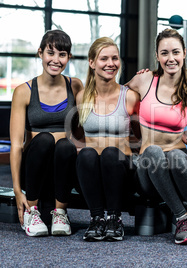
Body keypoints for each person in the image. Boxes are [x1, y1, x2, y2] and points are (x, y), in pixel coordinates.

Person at [125, 28, 187, 245]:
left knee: (176, 156)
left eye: (175, 52)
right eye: (164, 53)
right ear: (157, 56)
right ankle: (182, 217)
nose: (171, 58)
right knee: (153, 151)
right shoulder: (144, 80)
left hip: (181, 165)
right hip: (149, 168)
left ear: (184, 53)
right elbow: (115, 104)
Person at [9, 29, 83, 237]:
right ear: (40, 53)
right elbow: (16, 145)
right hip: (34, 167)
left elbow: (82, 130)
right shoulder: (24, 91)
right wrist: (17, 190)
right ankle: (32, 212)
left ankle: (60, 212)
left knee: (66, 144)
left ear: (69, 57)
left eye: (62, 54)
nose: (56, 60)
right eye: (51, 53)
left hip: (64, 165)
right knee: (43, 140)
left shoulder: (75, 85)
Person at [76, 37, 139, 242]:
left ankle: (114, 218)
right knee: (85, 153)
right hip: (93, 172)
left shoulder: (129, 96)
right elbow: (77, 138)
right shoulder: (82, 97)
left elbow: (141, 136)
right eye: (104, 58)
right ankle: (96, 219)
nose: (110, 63)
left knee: (111, 153)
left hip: (121, 169)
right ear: (92, 62)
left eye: (115, 58)